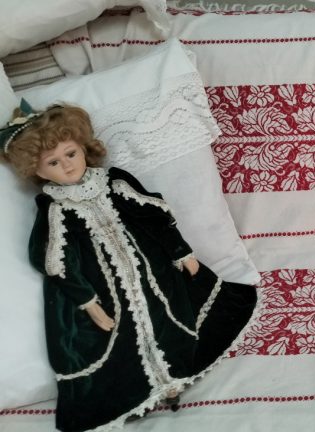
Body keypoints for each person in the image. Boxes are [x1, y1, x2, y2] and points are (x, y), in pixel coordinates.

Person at [0, 101, 257, 432]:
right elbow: (55, 260)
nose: (66, 165)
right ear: (37, 171)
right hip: (102, 289)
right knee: (119, 338)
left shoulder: (112, 181)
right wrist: (87, 301)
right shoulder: (55, 209)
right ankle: (148, 389)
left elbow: (153, 216)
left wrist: (181, 252)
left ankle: (176, 373)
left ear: (83, 147)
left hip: (152, 271)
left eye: (71, 153)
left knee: (170, 316)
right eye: (53, 162)